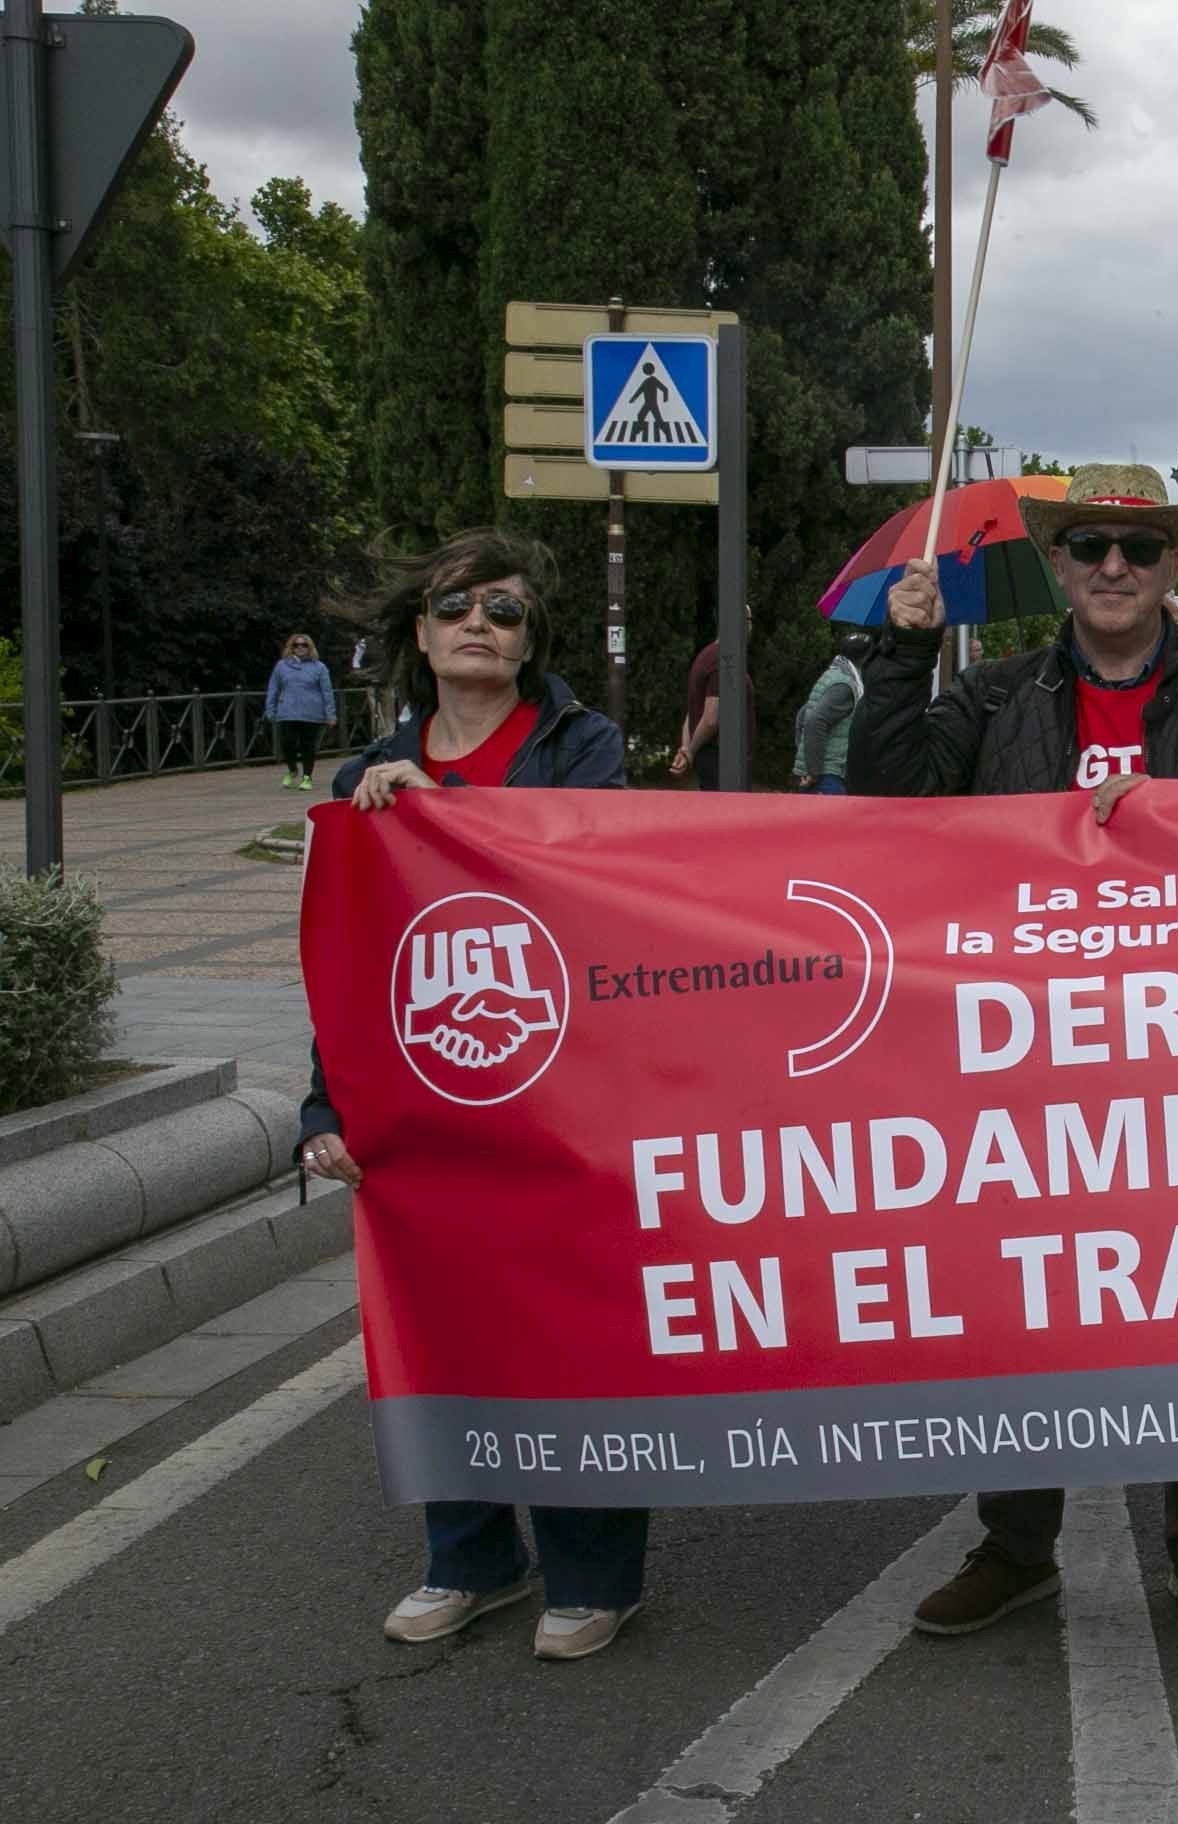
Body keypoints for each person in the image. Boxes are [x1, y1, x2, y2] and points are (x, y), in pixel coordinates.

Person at [847, 462, 1178, 1645]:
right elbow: (884, 798)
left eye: (1140, 548)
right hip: (1027, 1060)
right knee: (1027, 1300)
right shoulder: (997, 697)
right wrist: (905, 657)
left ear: (1173, 567)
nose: (1115, 567)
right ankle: (1017, 1546)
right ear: (1058, 565)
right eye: (1093, 547)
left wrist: (1173, 823)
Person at [294, 529, 644, 1663]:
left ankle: (593, 1575)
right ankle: (473, 1560)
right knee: (443, 1335)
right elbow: (352, 967)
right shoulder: (366, 780)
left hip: (562, 1101)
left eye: (503, 607)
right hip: (427, 1112)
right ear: (420, 634)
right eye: (455, 607)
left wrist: (444, 811)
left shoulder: (580, 747)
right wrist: (323, 1110)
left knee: (569, 1339)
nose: (478, 624)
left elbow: (588, 878)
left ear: (531, 635)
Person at [671, 607, 756, 791]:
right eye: (749, 620)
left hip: (710, 759)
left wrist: (686, 748)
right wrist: (690, 752)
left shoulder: (706, 655)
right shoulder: (723, 661)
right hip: (722, 761)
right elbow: (711, 718)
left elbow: (692, 712)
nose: (750, 627)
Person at [793, 625, 874, 794]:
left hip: (823, 774)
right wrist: (813, 770)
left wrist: (806, 763)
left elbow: (803, 715)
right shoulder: (845, 686)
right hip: (829, 777)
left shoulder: (833, 674)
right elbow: (815, 721)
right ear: (864, 658)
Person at [265, 633, 338, 792]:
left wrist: (330, 714)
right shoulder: (281, 666)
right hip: (288, 711)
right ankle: (292, 769)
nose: (300, 648)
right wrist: (270, 709)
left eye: (303, 645)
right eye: (296, 645)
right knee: (287, 743)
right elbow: (273, 689)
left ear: (309, 647)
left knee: (308, 745)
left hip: (311, 713)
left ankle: (307, 776)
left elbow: (327, 692)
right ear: (291, 648)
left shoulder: (319, 667)